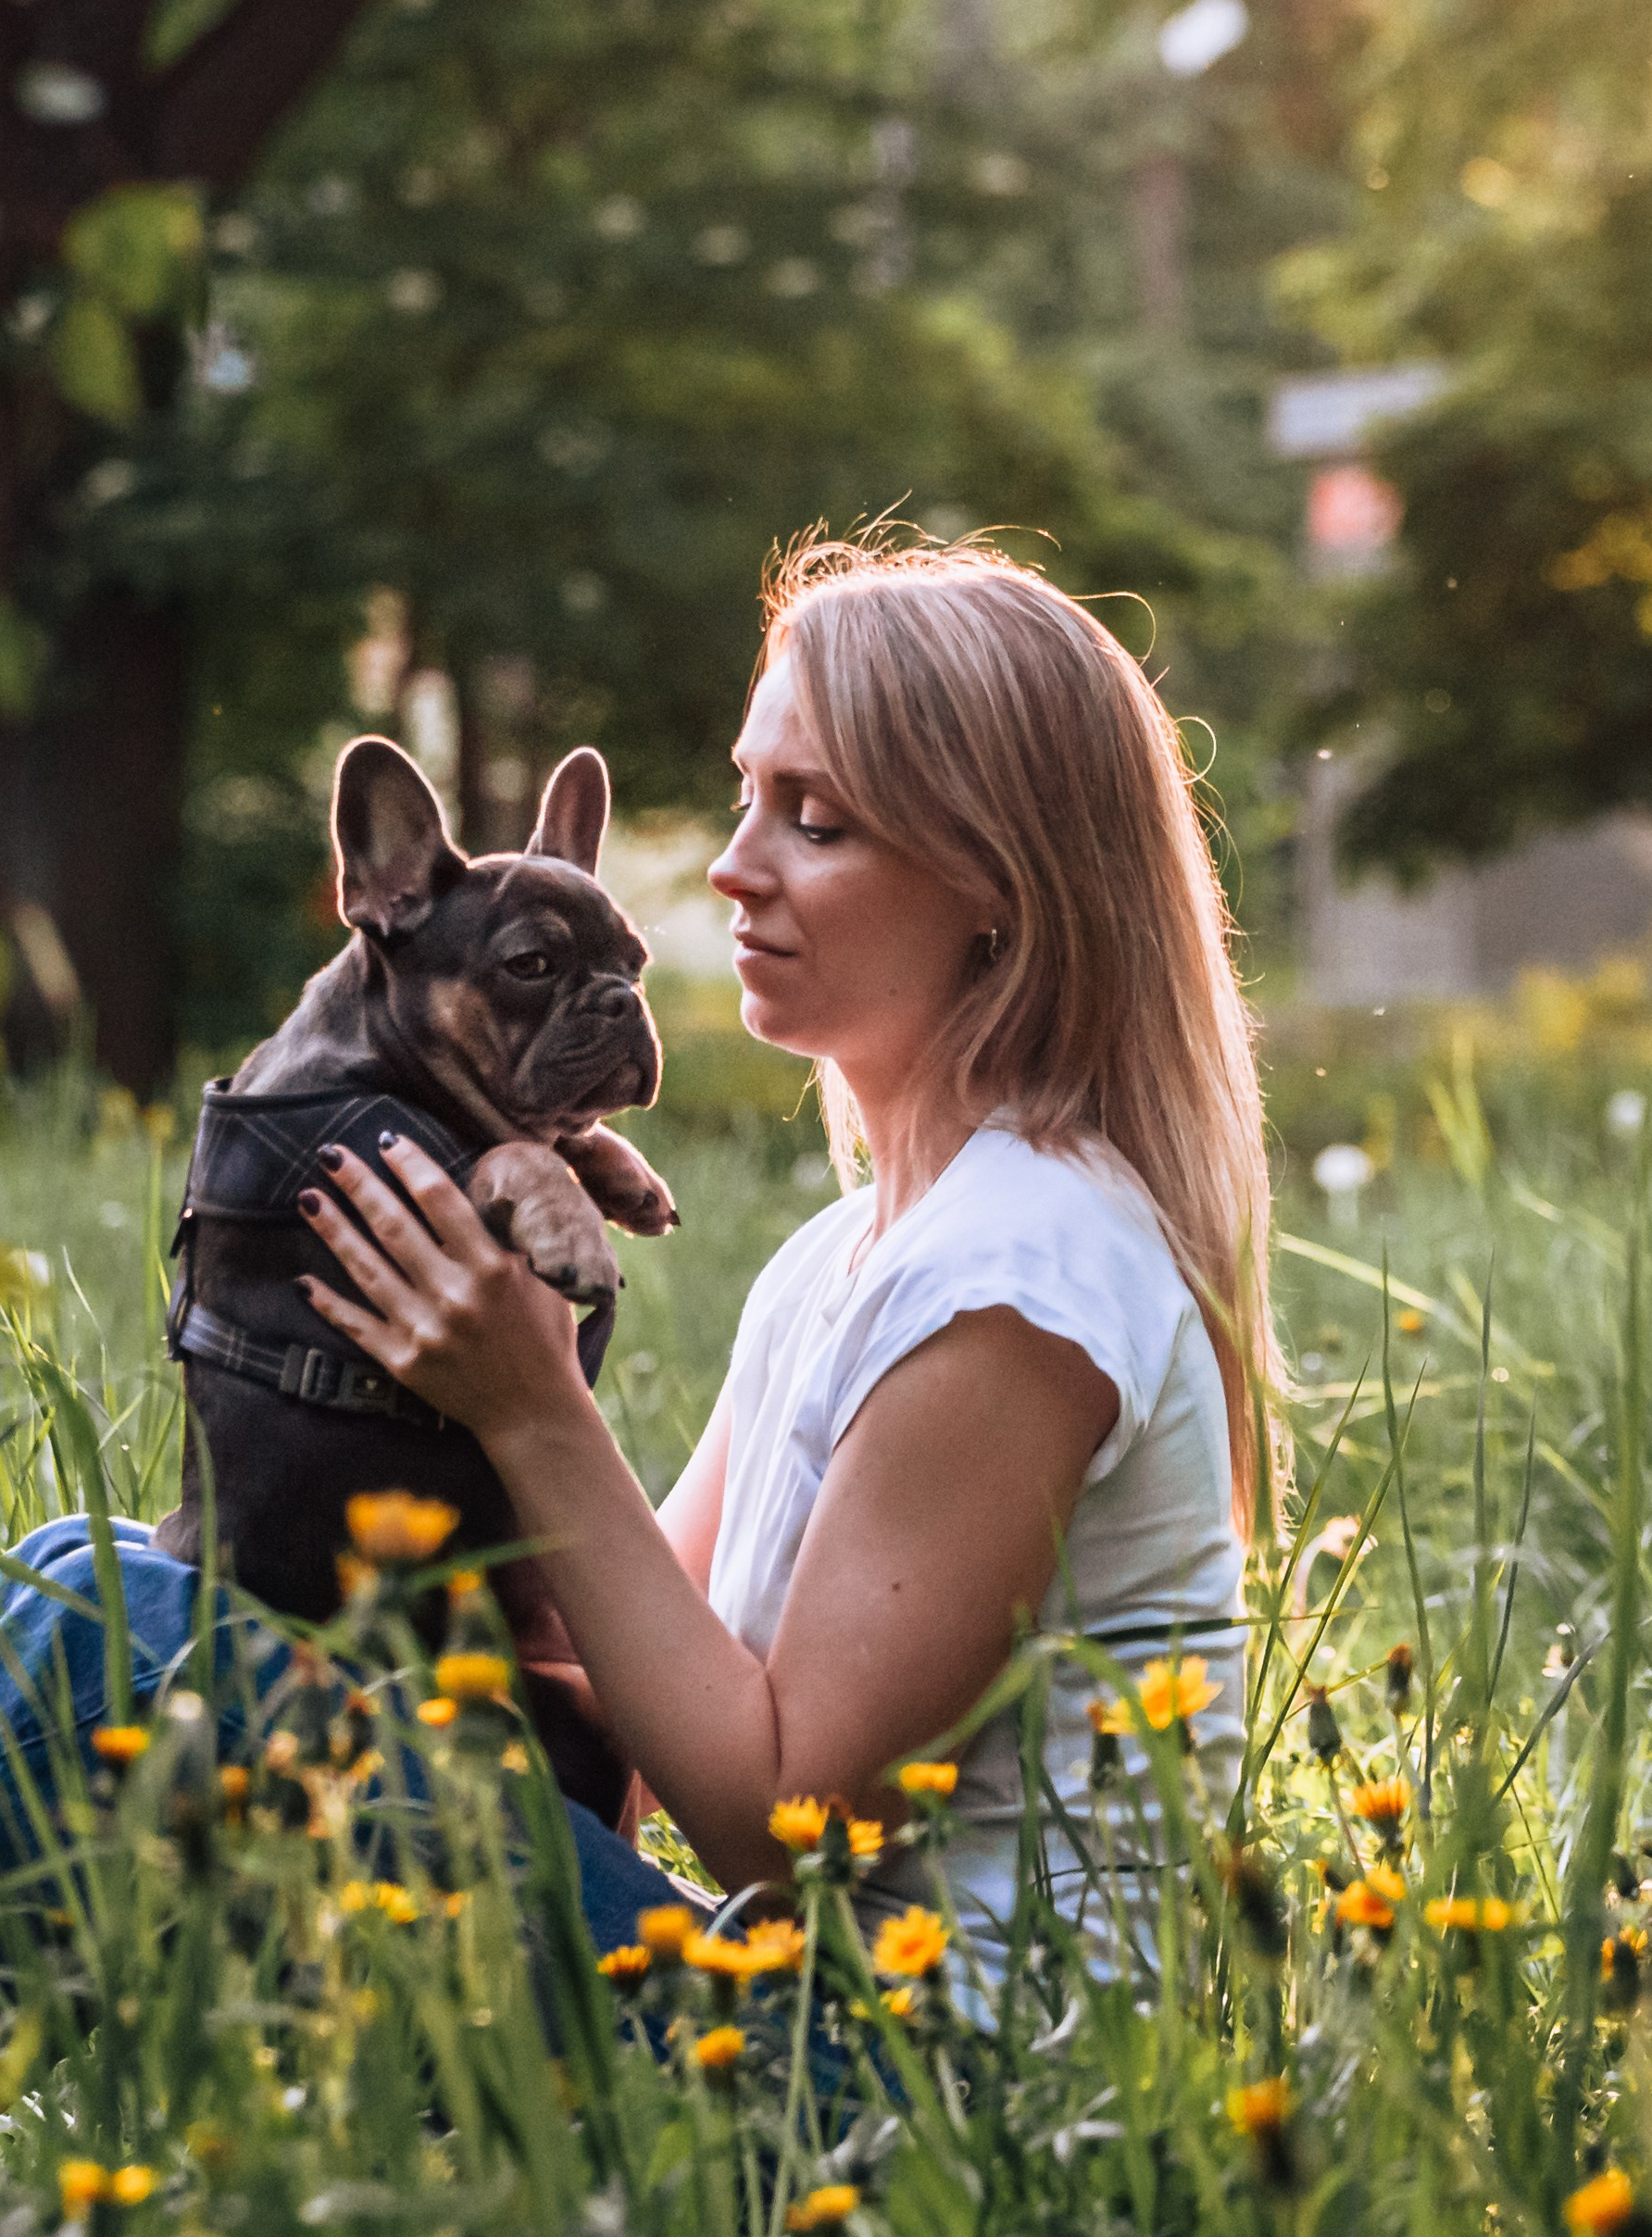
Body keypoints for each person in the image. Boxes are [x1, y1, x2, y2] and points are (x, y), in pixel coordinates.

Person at [297, 535, 1282, 1979]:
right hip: (797, 2006)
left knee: (114, 1634)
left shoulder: (1023, 1275)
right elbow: (606, 1662)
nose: (727, 865)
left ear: (993, 883)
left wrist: (528, 1402)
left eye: (811, 819)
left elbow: (786, 1824)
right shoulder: (849, 1256)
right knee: (129, 1599)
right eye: (747, 794)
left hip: (932, 2093)